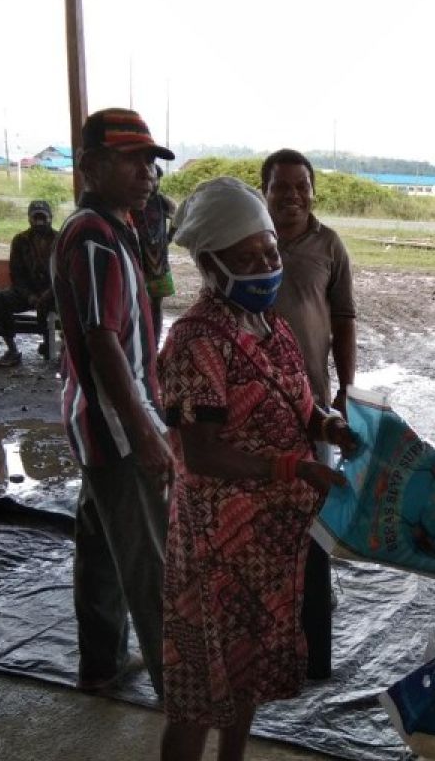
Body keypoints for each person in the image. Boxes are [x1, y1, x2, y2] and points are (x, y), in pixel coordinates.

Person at [157, 176, 358, 761]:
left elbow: (302, 404)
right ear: (211, 265)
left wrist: (329, 426)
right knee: (199, 690)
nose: (265, 266)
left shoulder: (272, 329)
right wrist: (295, 468)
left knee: (242, 677)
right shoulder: (197, 341)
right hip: (216, 548)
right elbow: (202, 453)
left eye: (269, 251)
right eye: (246, 258)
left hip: (268, 547)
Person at [51, 107, 175, 698]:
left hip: (97, 424)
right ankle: (178, 690)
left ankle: (100, 664)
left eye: (150, 160)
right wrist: (145, 430)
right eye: (132, 159)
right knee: (148, 559)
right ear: (92, 166)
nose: (147, 171)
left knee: (99, 547)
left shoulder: (115, 228)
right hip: (117, 429)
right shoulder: (95, 237)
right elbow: (102, 341)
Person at [261, 147, 357, 680]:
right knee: (265, 519)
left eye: (302, 186)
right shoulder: (249, 243)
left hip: (314, 405)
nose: (292, 196)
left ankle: (311, 647)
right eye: (282, 187)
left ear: (313, 191)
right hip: (254, 409)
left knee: (313, 522)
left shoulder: (328, 244)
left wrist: (345, 389)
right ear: (265, 191)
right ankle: (267, 639)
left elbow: (343, 318)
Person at [0, 199, 57, 366]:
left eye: (43, 217)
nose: (39, 221)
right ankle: (12, 350)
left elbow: (65, 274)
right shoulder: (20, 240)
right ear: (29, 219)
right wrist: (30, 296)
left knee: (71, 303)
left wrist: (48, 294)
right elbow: (16, 274)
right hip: (27, 292)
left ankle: (56, 347)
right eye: (36, 217)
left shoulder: (60, 239)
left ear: (50, 218)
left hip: (54, 292)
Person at [130, 165, 177, 345]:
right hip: (137, 262)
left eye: (156, 178)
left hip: (159, 264)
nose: (153, 182)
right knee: (138, 306)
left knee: (156, 306)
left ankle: (154, 344)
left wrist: (169, 237)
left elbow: (178, 217)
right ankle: (140, 342)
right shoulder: (132, 203)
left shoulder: (163, 202)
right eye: (150, 178)